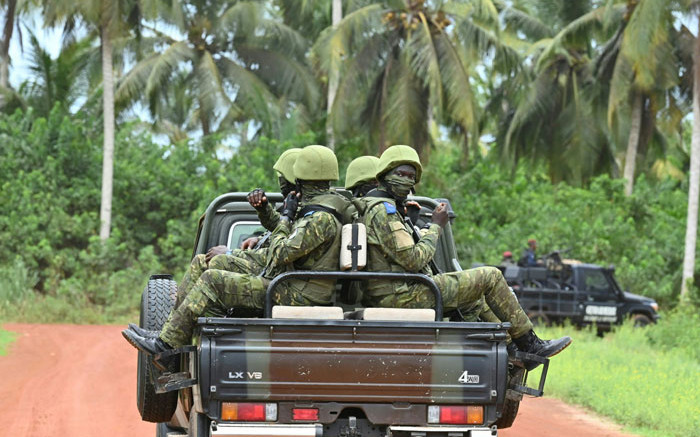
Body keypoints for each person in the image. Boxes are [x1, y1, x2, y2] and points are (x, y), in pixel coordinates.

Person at [123, 145, 354, 356]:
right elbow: (284, 246)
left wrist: (285, 217)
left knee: (213, 280)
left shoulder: (320, 218)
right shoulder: (318, 210)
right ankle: (171, 333)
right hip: (291, 283)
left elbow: (279, 253)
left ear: (301, 178)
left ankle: (165, 346)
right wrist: (268, 215)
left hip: (298, 294)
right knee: (206, 263)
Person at [356, 145, 571, 369]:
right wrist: (436, 227)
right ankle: (530, 344)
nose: (406, 180)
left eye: (411, 176)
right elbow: (414, 260)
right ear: (384, 176)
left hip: (400, 292)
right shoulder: (384, 211)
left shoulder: (385, 208)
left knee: (473, 298)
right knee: (491, 276)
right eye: (400, 174)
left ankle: (510, 352)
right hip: (403, 296)